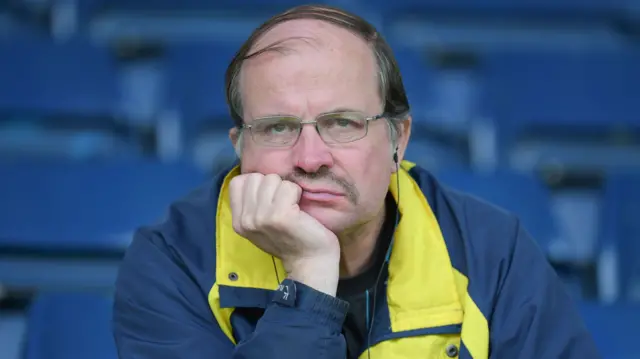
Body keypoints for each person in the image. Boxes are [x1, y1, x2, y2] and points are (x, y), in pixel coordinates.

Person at [112, 4, 599, 359]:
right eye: (278, 127)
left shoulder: (492, 253)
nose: (309, 158)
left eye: (343, 123)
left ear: (398, 141)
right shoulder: (174, 263)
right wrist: (308, 278)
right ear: (240, 146)